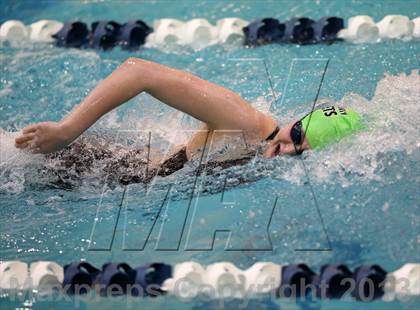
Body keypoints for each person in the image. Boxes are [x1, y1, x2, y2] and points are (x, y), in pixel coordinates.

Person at [14, 58, 362, 184]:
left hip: (93, 177)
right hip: (76, 162)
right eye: (296, 132)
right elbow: (140, 72)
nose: (288, 147)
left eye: (300, 151)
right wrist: (66, 131)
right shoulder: (244, 122)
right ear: (296, 120)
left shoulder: (260, 158)